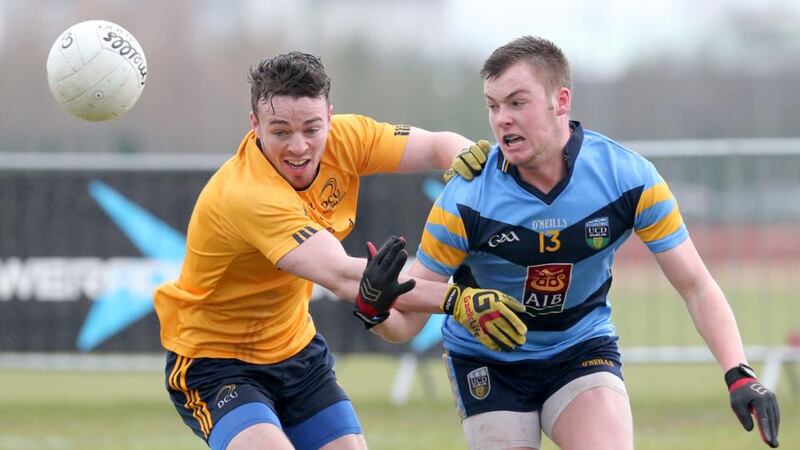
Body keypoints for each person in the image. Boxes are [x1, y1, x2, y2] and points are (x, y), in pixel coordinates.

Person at [365, 36, 781, 450]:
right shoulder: (465, 198)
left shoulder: (627, 178)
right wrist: (374, 308)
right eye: (493, 106)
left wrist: (738, 373)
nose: (502, 119)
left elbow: (696, 285)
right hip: (488, 360)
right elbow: (407, 318)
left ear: (560, 101)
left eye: (517, 102)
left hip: (580, 347)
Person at [152, 51, 525, 450]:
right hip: (215, 361)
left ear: (330, 117)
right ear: (255, 125)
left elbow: (437, 145)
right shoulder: (248, 194)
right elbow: (349, 278)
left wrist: (470, 165)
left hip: (296, 349)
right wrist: (458, 301)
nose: (299, 147)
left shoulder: (347, 139)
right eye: (280, 132)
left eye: (312, 129)